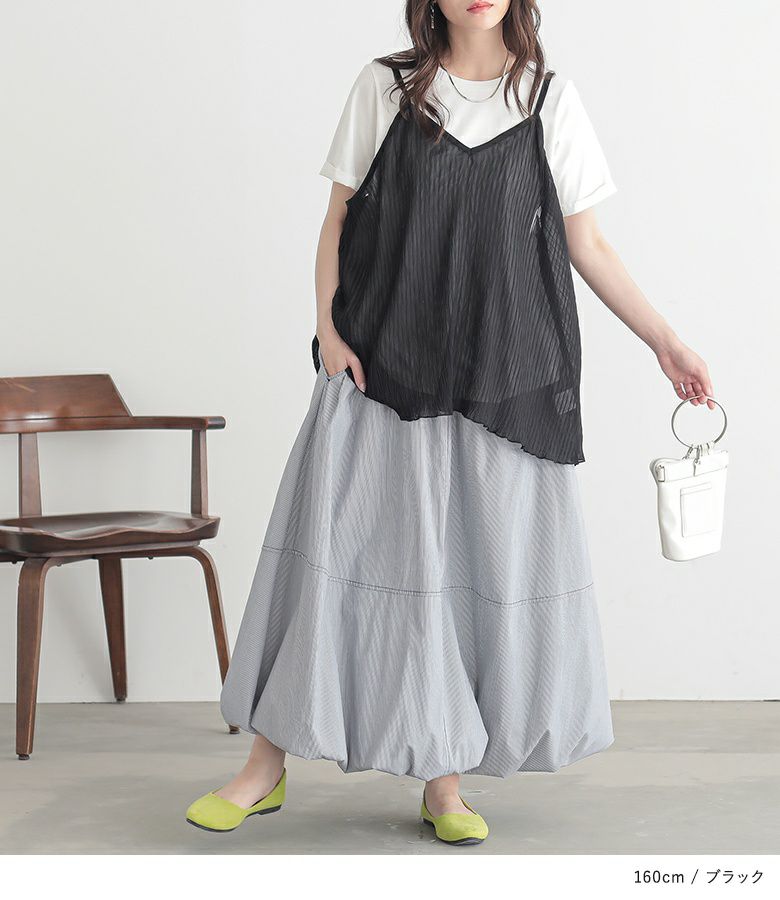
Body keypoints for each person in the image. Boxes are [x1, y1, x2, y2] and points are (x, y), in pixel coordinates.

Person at [185, 0, 715, 847]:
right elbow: (338, 218)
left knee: (465, 574)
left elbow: (588, 245)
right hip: (382, 365)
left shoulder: (548, 100)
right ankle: (264, 765)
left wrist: (667, 342)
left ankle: (446, 781)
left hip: (504, 378)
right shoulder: (387, 87)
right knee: (328, 559)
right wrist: (327, 332)